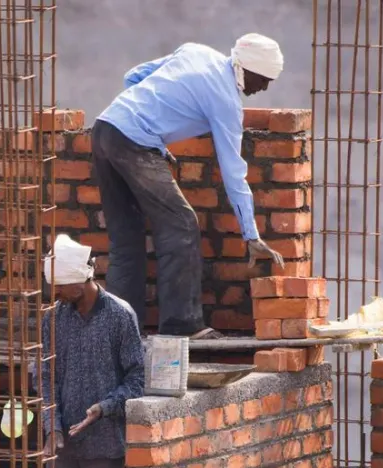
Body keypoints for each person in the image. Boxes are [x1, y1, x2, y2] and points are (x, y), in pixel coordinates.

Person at [92, 33, 288, 340]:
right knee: (182, 224)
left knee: (126, 238)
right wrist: (251, 235)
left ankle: (122, 332)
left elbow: (134, 77)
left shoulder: (195, 52)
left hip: (105, 127)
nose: (263, 89)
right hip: (132, 143)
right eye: (263, 80)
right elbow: (233, 173)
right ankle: (183, 325)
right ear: (247, 70)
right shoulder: (226, 102)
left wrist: (150, 125)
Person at [38, 234, 145, 468]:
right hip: (64, 445)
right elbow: (46, 376)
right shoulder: (53, 319)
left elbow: (136, 379)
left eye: (61, 286)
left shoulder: (119, 316)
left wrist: (104, 408)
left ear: (82, 281)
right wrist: (51, 426)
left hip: (104, 446)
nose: (56, 293)